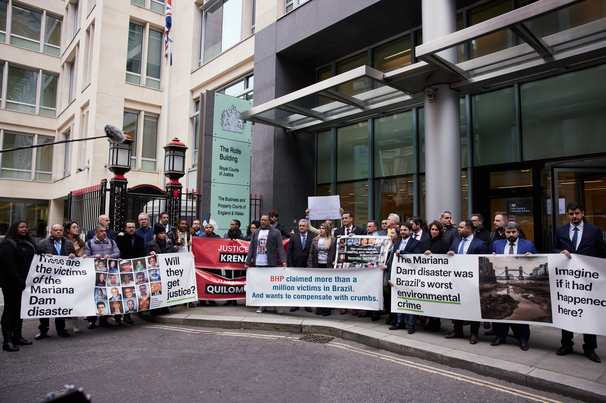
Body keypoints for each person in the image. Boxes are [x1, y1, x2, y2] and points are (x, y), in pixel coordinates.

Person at [552, 202, 606, 363]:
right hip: (567, 280)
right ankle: (566, 344)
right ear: (567, 215)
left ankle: (590, 348)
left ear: (582, 213)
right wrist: (559, 251)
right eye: (571, 214)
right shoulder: (560, 230)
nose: (574, 216)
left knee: (588, 311)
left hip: (587, 279)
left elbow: (603, 251)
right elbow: (553, 248)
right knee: (567, 309)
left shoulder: (594, 230)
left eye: (576, 213)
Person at [490, 221, 538, 351]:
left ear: (518, 232)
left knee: (520, 310)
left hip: (520, 284)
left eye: (513, 232)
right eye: (508, 232)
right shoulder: (497, 244)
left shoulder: (527, 244)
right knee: (502, 309)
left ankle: (523, 339)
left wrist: (532, 256)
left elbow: (537, 258)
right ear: (504, 232)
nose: (511, 235)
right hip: (502, 282)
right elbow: (492, 262)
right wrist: (492, 257)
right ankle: (500, 336)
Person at [445, 220, 488, 344]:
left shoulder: (480, 244)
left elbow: (483, 264)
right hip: (457, 280)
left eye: (461, 227)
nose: (458, 229)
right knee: (457, 305)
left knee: (473, 307)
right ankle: (457, 329)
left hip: (472, 281)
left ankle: (474, 333)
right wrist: (449, 254)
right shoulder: (456, 241)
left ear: (469, 229)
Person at [34, 224, 77, 339]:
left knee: (61, 305)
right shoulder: (43, 243)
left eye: (60, 230)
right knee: (45, 305)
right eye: (55, 230)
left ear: (63, 231)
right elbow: (36, 258)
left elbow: (76, 258)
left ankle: (60, 329)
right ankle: (43, 330)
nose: (58, 232)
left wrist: (73, 256)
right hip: (47, 281)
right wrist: (44, 256)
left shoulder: (68, 244)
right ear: (51, 232)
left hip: (63, 280)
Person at [1, 221, 36, 352]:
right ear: (15, 229)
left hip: (25, 283)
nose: (25, 229)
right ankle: (7, 340)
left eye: (26, 227)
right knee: (10, 310)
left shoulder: (29, 243)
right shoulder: (8, 244)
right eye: (22, 227)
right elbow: (8, 264)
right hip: (11, 283)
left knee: (20, 310)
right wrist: (18, 280)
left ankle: (17, 336)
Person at [244, 215, 287, 314]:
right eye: (262, 220)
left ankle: (276, 305)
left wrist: (284, 261)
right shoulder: (256, 232)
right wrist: (247, 262)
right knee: (261, 285)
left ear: (269, 222)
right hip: (259, 263)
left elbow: (280, 247)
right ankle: (262, 305)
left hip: (271, 262)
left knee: (272, 285)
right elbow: (251, 248)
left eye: (265, 220)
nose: (263, 222)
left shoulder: (276, 232)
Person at [83, 225, 121, 329]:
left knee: (105, 296)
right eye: (101, 231)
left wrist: (111, 256)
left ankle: (104, 320)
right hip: (95, 274)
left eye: (105, 231)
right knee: (94, 297)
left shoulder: (111, 242)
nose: (104, 233)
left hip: (107, 273)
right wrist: (93, 257)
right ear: (96, 233)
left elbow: (117, 252)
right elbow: (85, 257)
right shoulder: (90, 243)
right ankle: (92, 320)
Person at [388, 222, 423, 331]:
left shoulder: (416, 243)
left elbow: (417, 257)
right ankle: (400, 322)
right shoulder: (397, 243)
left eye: (405, 230)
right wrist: (390, 277)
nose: (403, 232)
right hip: (398, 276)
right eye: (402, 230)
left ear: (410, 231)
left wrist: (403, 252)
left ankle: (412, 325)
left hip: (411, 277)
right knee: (400, 299)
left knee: (411, 301)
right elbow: (392, 262)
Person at [420, 220, 449, 332]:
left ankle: (436, 322)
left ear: (440, 231)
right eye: (432, 229)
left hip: (437, 276)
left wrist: (433, 256)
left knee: (435, 300)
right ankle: (430, 321)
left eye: (436, 230)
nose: (434, 232)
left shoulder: (443, 243)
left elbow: (444, 258)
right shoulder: (426, 242)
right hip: (426, 274)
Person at [115, 219, 145, 325]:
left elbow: (142, 253)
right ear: (125, 229)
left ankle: (127, 316)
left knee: (130, 293)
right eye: (129, 227)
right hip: (122, 269)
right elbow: (117, 251)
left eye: (133, 227)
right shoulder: (120, 238)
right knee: (120, 293)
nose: (131, 229)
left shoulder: (140, 239)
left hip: (135, 270)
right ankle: (118, 317)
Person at [307, 222, 337, 316]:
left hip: (328, 267)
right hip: (318, 266)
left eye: (323, 228)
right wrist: (310, 266)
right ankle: (319, 307)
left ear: (327, 229)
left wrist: (335, 261)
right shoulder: (315, 240)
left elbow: (336, 252)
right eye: (320, 228)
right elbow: (311, 254)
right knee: (319, 288)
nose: (321, 230)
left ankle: (327, 309)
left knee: (327, 288)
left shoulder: (333, 240)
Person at [288, 219, 314, 313]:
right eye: (300, 226)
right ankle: (296, 304)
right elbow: (289, 252)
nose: (301, 227)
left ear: (307, 227)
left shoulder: (312, 237)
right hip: (296, 265)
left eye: (303, 226)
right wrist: (290, 265)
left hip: (307, 265)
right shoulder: (293, 237)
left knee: (307, 286)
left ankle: (307, 305)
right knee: (296, 286)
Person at [382, 228, 401, 327]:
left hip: (393, 273)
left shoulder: (398, 245)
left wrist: (388, 266)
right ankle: (391, 315)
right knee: (388, 296)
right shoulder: (390, 244)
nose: (391, 235)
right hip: (387, 273)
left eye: (393, 233)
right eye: (391, 233)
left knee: (393, 296)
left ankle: (395, 317)